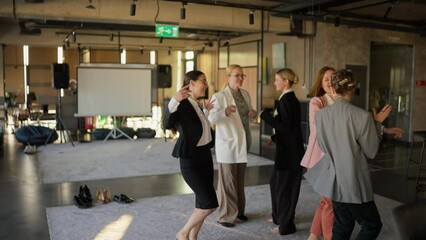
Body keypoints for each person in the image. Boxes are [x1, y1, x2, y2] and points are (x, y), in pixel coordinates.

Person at [305, 69, 391, 240]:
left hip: (334, 181)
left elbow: (322, 145)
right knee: (372, 225)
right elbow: (371, 151)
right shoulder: (363, 116)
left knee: (342, 224)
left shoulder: (321, 115)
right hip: (354, 182)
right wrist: (377, 124)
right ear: (353, 88)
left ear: (333, 89)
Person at [163, 70, 218, 240]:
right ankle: (183, 233)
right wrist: (174, 101)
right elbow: (167, 124)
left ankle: (193, 236)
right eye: (203, 81)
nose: (206, 85)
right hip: (190, 159)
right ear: (191, 83)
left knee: (201, 202)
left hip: (204, 156)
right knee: (209, 203)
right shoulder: (182, 103)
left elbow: (203, 131)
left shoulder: (197, 104)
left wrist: (207, 112)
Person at [207, 64, 257, 228]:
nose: (240, 78)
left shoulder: (245, 94)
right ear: (228, 77)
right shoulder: (219, 96)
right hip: (227, 145)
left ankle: (239, 212)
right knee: (228, 182)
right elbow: (211, 118)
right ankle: (226, 216)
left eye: (242, 75)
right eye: (237, 75)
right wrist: (225, 112)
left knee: (239, 180)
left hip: (243, 143)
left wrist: (252, 114)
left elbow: (247, 115)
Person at [260, 68, 305, 235]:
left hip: (290, 154)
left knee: (285, 189)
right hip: (288, 150)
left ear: (286, 82)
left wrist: (265, 116)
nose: (274, 82)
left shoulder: (287, 100)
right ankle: (280, 216)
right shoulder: (287, 98)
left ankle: (286, 226)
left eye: (277, 79)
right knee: (276, 184)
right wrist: (275, 138)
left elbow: (285, 127)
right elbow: (290, 126)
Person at [301, 66, 336, 240]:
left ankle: (314, 236)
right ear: (321, 83)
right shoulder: (317, 102)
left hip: (336, 160)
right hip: (318, 160)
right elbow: (319, 128)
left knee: (326, 201)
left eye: (333, 78)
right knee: (330, 201)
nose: (330, 82)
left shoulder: (342, 101)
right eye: (326, 79)